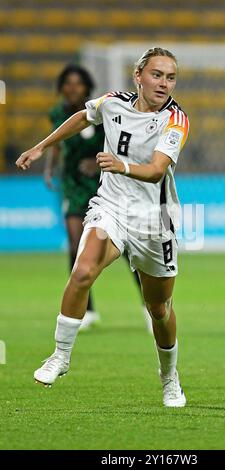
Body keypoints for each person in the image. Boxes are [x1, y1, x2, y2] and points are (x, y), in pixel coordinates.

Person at [16, 47, 189, 407]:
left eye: (170, 77)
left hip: (154, 220)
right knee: (82, 272)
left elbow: (157, 170)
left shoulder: (176, 120)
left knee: (159, 309)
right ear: (138, 76)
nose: (164, 83)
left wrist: (119, 165)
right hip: (111, 207)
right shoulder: (113, 102)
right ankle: (60, 356)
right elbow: (83, 117)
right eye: (156, 75)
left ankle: (170, 377)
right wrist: (41, 146)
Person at [44, 64, 151, 332]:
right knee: (74, 242)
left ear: (87, 87)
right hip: (72, 182)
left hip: (105, 181)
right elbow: (59, 142)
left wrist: (97, 163)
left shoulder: (105, 111)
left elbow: (118, 143)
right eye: (67, 83)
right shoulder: (58, 113)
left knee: (125, 246)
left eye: (77, 83)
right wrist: (49, 167)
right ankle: (87, 310)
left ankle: (148, 306)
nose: (72, 88)